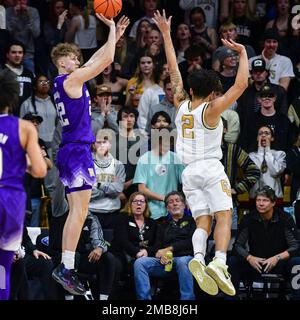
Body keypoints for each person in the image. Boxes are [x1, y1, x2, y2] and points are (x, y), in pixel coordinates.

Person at [152, 10, 249, 296]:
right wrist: (242, 53)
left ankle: (196, 258)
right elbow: (241, 85)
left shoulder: (180, 103)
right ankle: (218, 262)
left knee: (202, 220)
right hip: (209, 167)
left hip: (189, 173)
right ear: (210, 93)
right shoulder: (211, 110)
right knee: (225, 214)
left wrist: (167, 34)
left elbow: (172, 70)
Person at [50, 14, 130, 295]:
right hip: (76, 151)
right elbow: (104, 61)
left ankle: (67, 266)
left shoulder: (64, 82)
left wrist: (114, 38)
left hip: (72, 151)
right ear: (63, 62)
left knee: (79, 211)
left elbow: (97, 59)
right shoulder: (69, 81)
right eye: (73, 58)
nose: (77, 61)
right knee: (81, 211)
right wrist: (109, 30)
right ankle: (66, 267)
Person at [0, 69, 47, 300]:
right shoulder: (24, 127)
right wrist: (23, 162)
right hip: (11, 200)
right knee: (4, 268)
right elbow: (40, 171)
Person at [227, 186, 300, 300]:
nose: (260, 204)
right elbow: (237, 246)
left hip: (279, 263)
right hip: (256, 263)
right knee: (232, 261)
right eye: (258, 200)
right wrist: (249, 258)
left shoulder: (285, 218)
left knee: (297, 262)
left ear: (273, 203)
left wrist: (277, 258)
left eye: (265, 200)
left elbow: (295, 246)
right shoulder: (248, 219)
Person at [133, 191, 196, 300]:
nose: (175, 204)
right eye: (171, 202)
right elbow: (157, 245)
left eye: (177, 201)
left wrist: (169, 249)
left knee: (182, 261)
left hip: (186, 259)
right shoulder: (162, 225)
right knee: (140, 263)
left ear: (184, 205)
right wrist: (160, 254)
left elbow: (192, 241)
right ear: (167, 208)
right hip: (166, 262)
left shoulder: (192, 221)